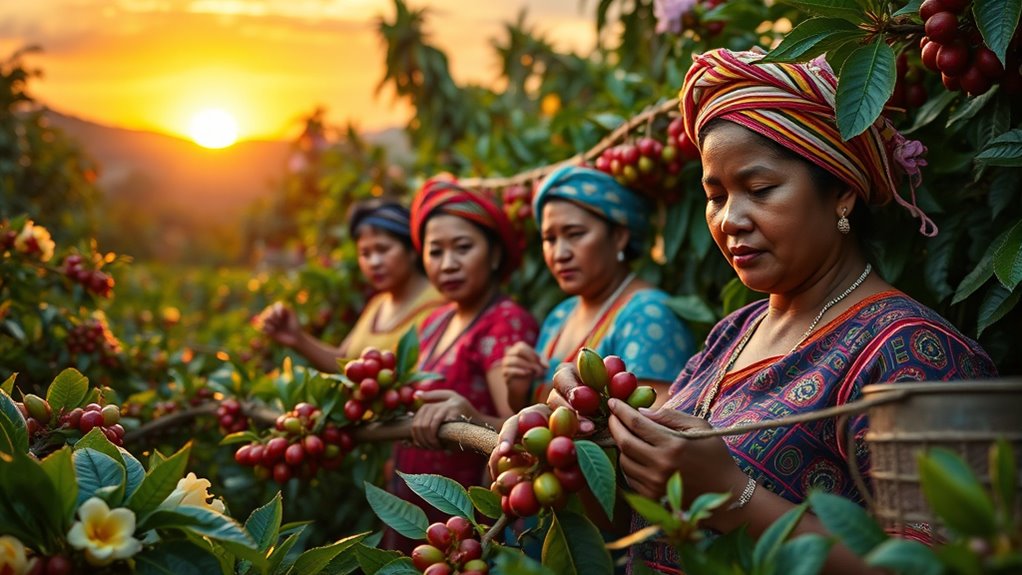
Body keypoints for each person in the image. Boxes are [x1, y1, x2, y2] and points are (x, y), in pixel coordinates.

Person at [491, 48, 997, 574]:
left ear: (842, 192)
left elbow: (942, 565)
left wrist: (734, 495)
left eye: (759, 189)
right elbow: (635, 524)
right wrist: (579, 453)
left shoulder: (911, 351)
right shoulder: (733, 333)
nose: (730, 219)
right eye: (716, 196)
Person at [388, 177, 538, 549]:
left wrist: (469, 416)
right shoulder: (432, 322)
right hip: (414, 513)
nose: (448, 264)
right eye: (435, 251)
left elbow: (520, 435)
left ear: (495, 254)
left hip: (467, 526)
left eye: (463, 247)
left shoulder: (504, 322)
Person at [501, 165, 695, 409]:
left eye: (575, 234)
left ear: (619, 237)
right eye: (549, 239)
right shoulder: (560, 316)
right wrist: (518, 390)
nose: (559, 254)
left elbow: (650, 423)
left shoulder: (650, 315)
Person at [258, 200, 443, 371]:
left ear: (412, 250)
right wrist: (297, 338)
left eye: (383, 249)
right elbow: (346, 363)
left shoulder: (440, 302)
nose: (374, 262)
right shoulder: (377, 304)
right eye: (365, 253)